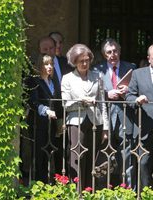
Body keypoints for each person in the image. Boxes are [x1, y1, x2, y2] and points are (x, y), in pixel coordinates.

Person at [61, 44, 108, 189]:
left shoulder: (97, 76)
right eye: (81, 60)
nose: (85, 63)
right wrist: (82, 102)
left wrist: (105, 127)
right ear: (74, 61)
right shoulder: (67, 78)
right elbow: (65, 104)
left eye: (87, 60)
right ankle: (77, 191)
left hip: (95, 122)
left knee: (92, 159)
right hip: (76, 122)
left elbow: (102, 103)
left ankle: (90, 191)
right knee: (77, 158)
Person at [93, 38, 136, 188]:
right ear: (104, 54)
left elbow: (137, 88)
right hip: (106, 118)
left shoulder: (131, 67)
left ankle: (128, 189)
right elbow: (94, 93)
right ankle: (102, 189)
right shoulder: (97, 70)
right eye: (109, 52)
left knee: (127, 153)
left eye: (115, 51)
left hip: (126, 117)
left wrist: (129, 90)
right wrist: (107, 94)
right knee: (105, 153)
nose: (113, 55)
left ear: (120, 51)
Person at [39, 36, 73, 175]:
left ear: (56, 48)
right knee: (43, 151)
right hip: (45, 117)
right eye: (45, 49)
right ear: (40, 50)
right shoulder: (37, 67)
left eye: (51, 48)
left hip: (64, 113)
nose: (49, 51)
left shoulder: (66, 62)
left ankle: (62, 181)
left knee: (63, 150)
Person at [125, 44, 153, 189]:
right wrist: (136, 100)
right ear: (149, 58)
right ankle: (146, 194)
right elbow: (129, 96)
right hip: (145, 128)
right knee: (143, 163)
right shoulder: (138, 73)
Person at [28, 54, 58, 183]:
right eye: (46, 64)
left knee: (48, 153)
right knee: (38, 155)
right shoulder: (34, 81)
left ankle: (46, 183)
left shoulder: (54, 82)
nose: (49, 67)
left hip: (51, 124)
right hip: (38, 124)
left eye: (51, 64)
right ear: (40, 66)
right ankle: (36, 183)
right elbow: (33, 102)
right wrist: (46, 110)